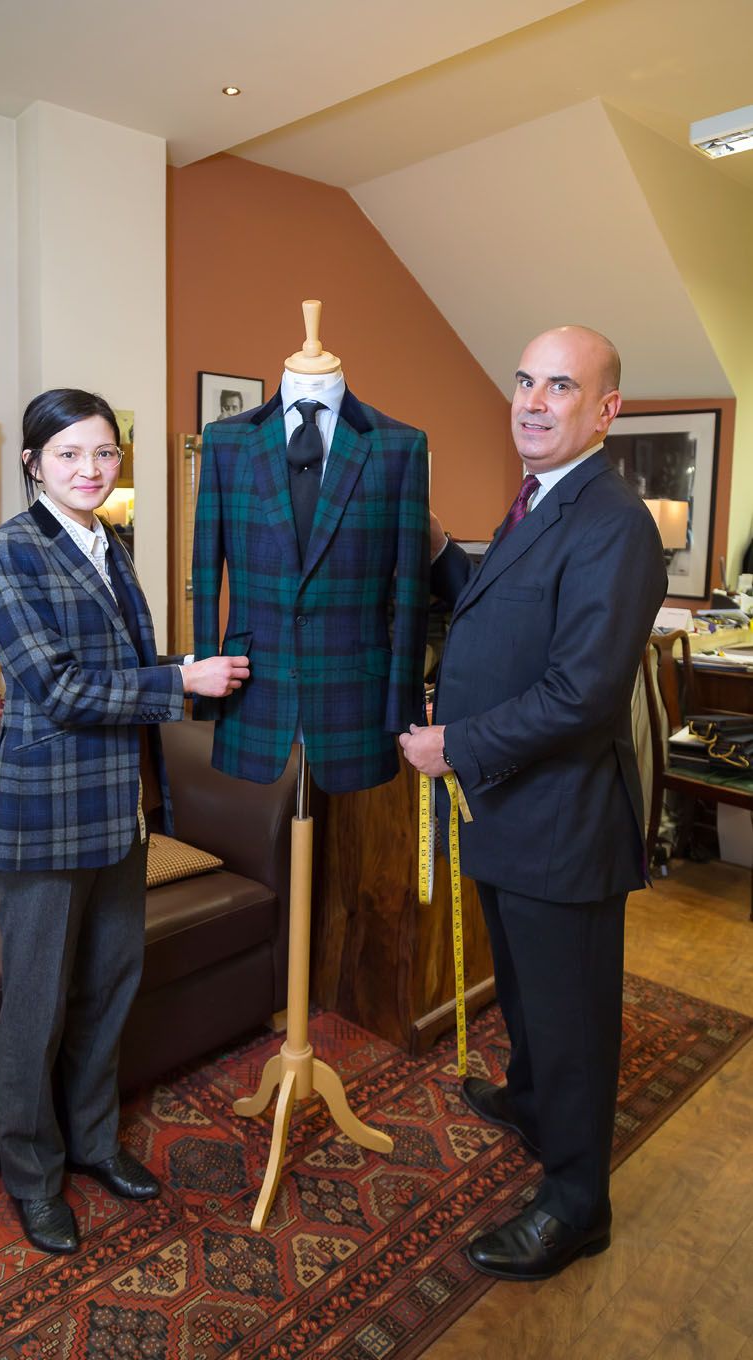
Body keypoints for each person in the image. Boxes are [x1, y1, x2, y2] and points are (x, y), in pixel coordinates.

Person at [400, 326, 667, 1281]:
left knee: (571, 1019)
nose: (532, 401)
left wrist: (453, 746)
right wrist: (440, 552)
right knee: (523, 995)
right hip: (504, 817)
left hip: (562, 824)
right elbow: (500, 615)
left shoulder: (614, 522)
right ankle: (529, 1097)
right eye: (523, 381)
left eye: (560, 386)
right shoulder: (535, 502)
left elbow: (580, 694)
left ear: (605, 411)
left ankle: (574, 1202)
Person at [0, 388, 248, 1256]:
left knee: (108, 987)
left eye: (103, 455)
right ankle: (34, 1177)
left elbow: (123, 667)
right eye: (68, 455)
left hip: (121, 813)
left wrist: (184, 665)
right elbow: (55, 689)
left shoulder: (111, 545)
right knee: (37, 1004)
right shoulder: (3, 550)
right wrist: (179, 686)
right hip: (45, 817)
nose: (89, 471)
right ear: (32, 463)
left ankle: (92, 1145)